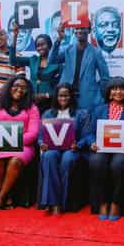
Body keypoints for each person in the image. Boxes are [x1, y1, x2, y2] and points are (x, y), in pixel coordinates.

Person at [88, 77, 124, 221]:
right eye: (114, 89)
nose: (118, 92)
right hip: (102, 148)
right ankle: (102, 202)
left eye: (122, 89)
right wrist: (92, 142)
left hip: (123, 150)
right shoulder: (99, 110)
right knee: (96, 162)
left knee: (118, 164)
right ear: (109, 92)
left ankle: (116, 203)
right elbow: (90, 133)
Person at [0, 76, 40, 210]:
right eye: (16, 86)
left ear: (27, 91)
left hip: (23, 146)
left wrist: (13, 141)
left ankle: (1, 197)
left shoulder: (32, 108)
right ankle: (7, 195)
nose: (19, 89)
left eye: (23, 87)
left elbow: (33, 133)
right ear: (9, 88)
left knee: (15, 161)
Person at [39, 83, 92, 215]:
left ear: (71, 96)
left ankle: (62, 203)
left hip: (72, 149)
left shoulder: (82, 114)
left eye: (66, 95)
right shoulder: (48, 114)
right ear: (56, 97)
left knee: (67, 159)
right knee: (49, 156)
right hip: (52, 149)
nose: (63, 98)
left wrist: (78, 145)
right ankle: (53, 203)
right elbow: (40, 137)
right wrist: (42, 144)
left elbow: (87, 136)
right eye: (60, 96)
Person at [48, 25, 110, 110]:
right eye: (77, 28)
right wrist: (59, 39)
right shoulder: (67, 49)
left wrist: (100, 95)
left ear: (89, 30)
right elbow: (52, 60)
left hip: (88, 98)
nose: (79, 31)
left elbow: (105, 77)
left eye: (83, 28)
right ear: (74, 31)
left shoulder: (96, 52)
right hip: (66, 96)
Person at [9, 22, 61, 113]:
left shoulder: (56, 63)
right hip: (33, 102)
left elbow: (60, 86)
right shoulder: (33, 59)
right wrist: (15, 36)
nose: (40, 47)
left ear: (49, 45)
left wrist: (46, 95)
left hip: (50, 103)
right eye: (37, 46)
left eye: (43, 44)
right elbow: (13, 60)